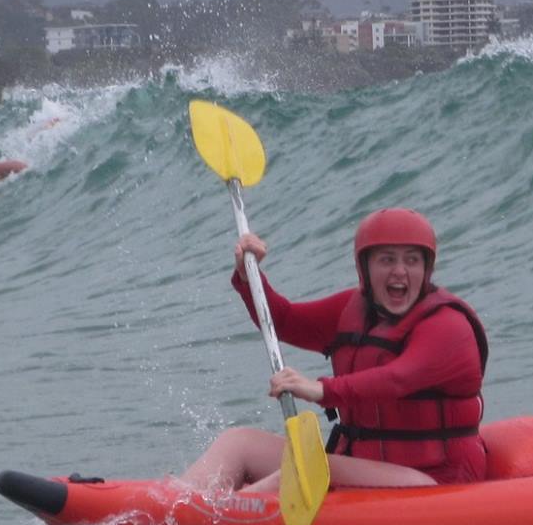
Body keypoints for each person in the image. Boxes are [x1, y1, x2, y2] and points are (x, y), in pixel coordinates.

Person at [177, 208, 491, 494]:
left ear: (427, 268)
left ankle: (214, 518)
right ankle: (176, 502)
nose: (400, 271)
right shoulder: (353, 310)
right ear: (364, 268)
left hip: (434, 480)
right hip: (363, 465)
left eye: (412, 260)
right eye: (387, 259)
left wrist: (320, 390)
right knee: (239, 442)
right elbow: (284, 321)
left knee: (302, 470)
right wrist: (250, 278)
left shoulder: (449, 327)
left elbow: (398, 379)